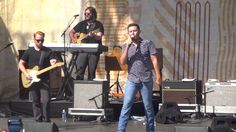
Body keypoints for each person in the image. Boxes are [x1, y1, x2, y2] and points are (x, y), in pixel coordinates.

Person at [118, 23, 162, 132]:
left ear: (139, 31)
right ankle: (120, 130)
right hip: (132, 80)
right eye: (131, 31)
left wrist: (158, 75)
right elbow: (122, 62)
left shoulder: (148, 43)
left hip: (146, 79)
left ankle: (150, 130)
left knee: (148, 107)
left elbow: (154, 60)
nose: (133, 33)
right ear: (128, 33)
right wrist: (128, 46)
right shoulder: (125, 46)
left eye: (135, 31)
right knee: (126, 105)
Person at [18, 31, 58, 122]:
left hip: (44, 80)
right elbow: (20, 64)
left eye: (42, 40)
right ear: (34, 39)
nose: (40, 42)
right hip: (32, 79)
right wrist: (25, 73)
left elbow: (52, 62)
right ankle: (38, 120)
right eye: (38, 40)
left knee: (46, 100)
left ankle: (46, 120)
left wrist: (53, 63)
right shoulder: (29, 52)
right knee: (35, 100)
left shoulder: (48, 51)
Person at [69, 6, 104, 80]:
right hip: (82, 50)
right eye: (85, 14)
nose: (86, 15)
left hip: (93, 52)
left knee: (91, 71)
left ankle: (90, 89)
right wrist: (73, 39)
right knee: (79, 71)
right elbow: (71, 32)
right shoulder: (81, 24)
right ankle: (79, 89)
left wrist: (93, 35)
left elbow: (99, 36)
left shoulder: (98, 25)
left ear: (93, 14)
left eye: (88, 13)